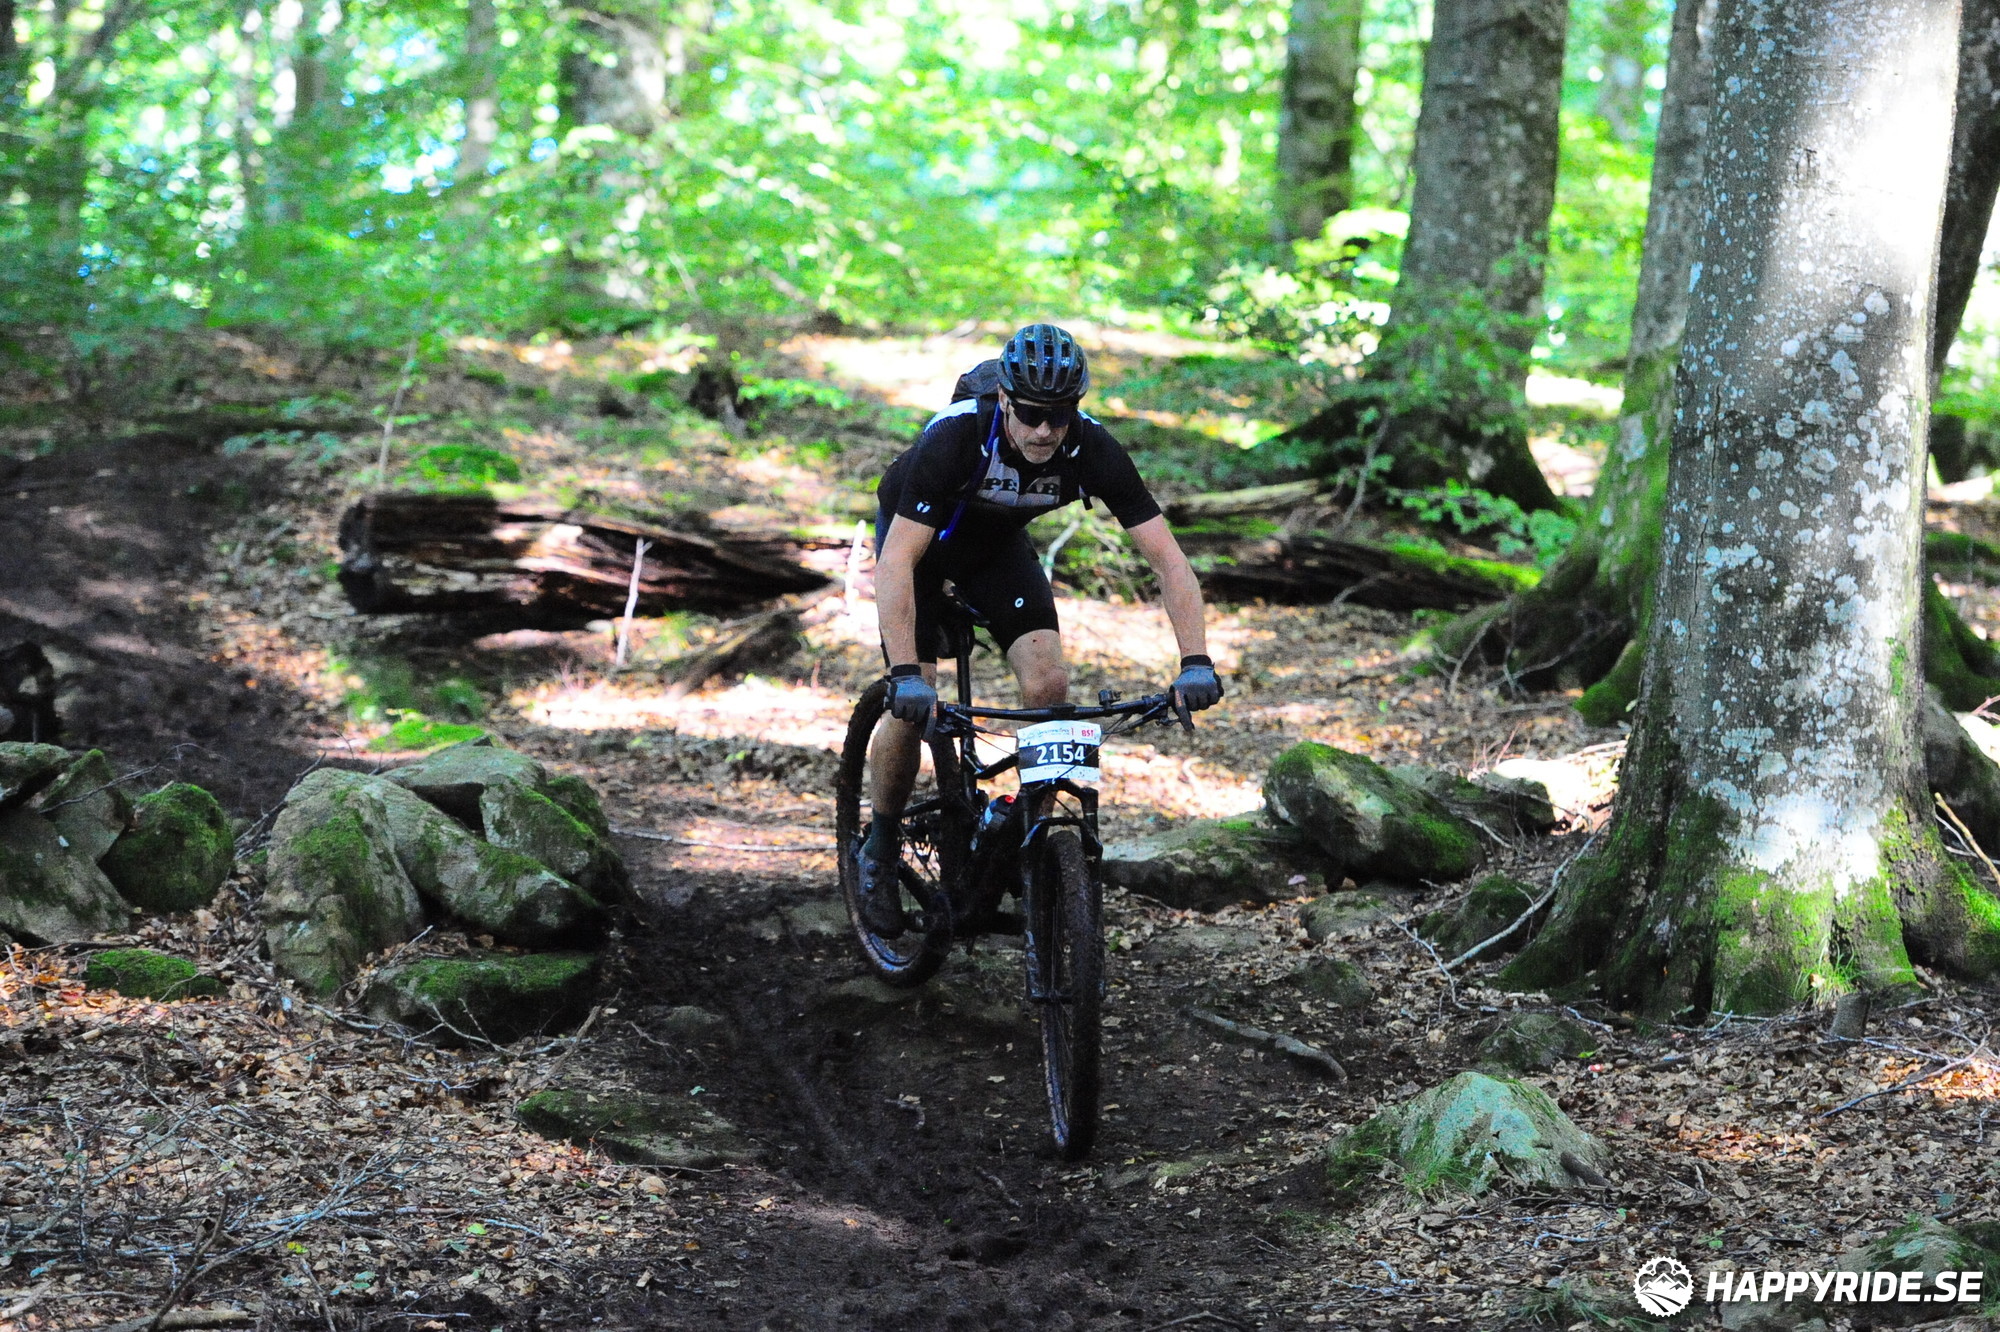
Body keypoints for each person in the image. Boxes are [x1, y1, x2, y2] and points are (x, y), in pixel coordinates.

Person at [859, 322, 1222, 933]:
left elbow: (1168, 561)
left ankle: (1032, 842)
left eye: (1059, 415)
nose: (1045, 431)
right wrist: (904, 674)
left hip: (996, 550)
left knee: (1050, 685)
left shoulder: (1093, 448)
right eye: (1030, 414)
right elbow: (895, 562)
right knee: (912, 701)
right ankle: (880, 842)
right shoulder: (955, 438)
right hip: (919, 547)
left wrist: (1196, 661)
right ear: (1004, 398)